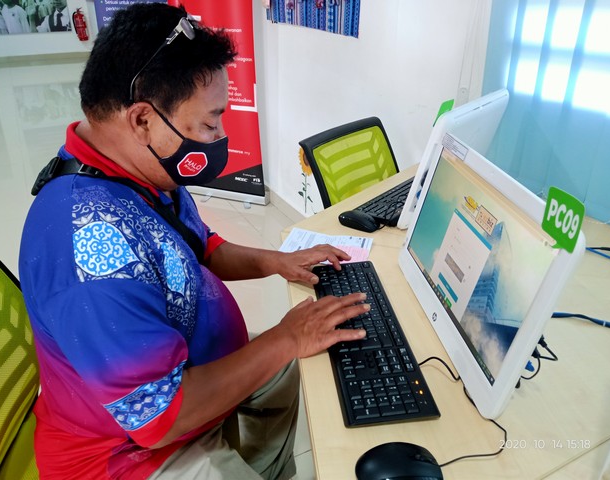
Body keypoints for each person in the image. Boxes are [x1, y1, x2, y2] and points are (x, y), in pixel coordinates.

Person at [19, 3, 368, 479]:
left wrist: (278, 261)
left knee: (294, 362)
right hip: (130, 457)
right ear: (143, 120)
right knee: (290, 348)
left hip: (187, 382)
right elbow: (160, 419)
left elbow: (199, 245)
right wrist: (286, 336)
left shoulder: (135, 173)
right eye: (208, 123)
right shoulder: (90, 249)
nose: (219, 135)